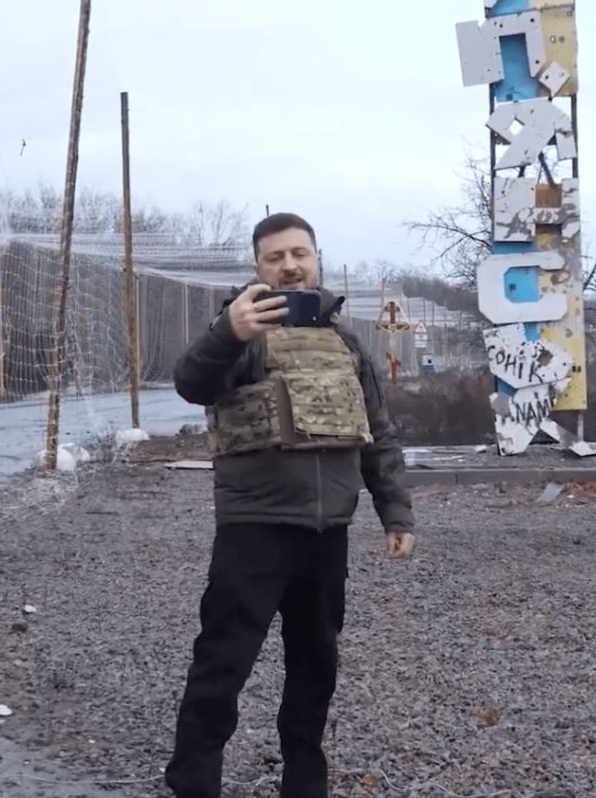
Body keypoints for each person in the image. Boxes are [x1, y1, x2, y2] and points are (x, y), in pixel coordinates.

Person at [164, 212, 415, 798]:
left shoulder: (345, 340)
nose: (290, 266)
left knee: (315, 669)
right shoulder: (241, 331)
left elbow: (378, 431)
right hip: (254, 530)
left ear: (316, 259)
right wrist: (229, 332)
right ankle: (192, 783)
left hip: (327, 535)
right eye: (275, 257)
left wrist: (395, 511)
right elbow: (191, 383)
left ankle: (305, 783)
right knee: (222, 666)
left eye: (299, 253)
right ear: (258, 267)